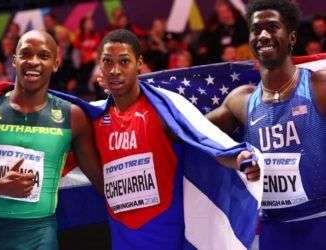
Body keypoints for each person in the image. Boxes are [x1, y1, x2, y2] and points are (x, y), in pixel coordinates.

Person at [94, 29, 260, 249]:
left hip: (166, 236)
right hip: (122, 239)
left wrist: (240, 158)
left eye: (124, 61)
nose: (115, 70)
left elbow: (206, 141)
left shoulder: (164, 108)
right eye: (107, 62)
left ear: (139, 63)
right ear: (100, 66)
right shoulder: (94, 117)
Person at [206, 0, 326, 249]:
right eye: (256, 28)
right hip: (272, 232)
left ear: (291, 37)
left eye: (272, 27)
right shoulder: (242, 101)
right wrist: (235, 159)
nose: (263, 35)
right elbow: (198, 137)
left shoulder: (319, 87)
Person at [0, 30, 102, 250]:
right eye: (25, 54)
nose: (33, 62)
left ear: (56, 63)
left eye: (43, 56)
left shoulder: (73, 117)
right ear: (14, 60)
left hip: (39, 238)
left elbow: (104, 183)